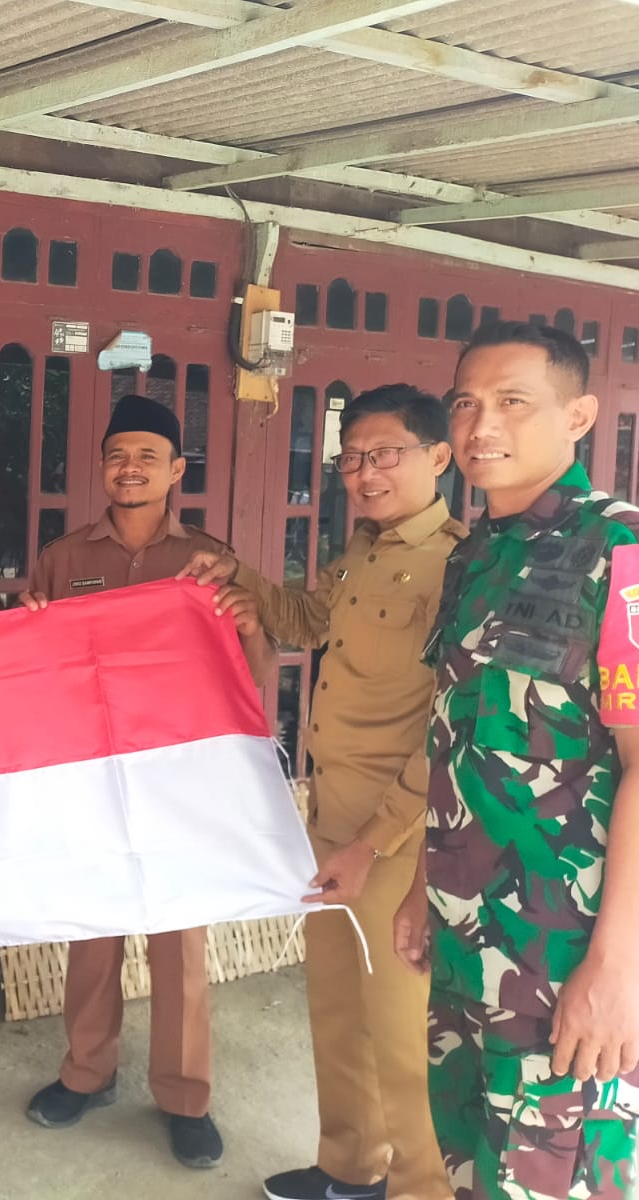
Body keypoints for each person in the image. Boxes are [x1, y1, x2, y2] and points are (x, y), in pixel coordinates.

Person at [181, 384, 462, 1200]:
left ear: (437, 457)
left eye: (385, 455)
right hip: (331, 813)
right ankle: (350, 1167)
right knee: (337, 1007)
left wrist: (373, 841)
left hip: (396, 833)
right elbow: (305, 620)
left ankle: (422, 1187)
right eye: (351, 459)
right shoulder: (362, 553)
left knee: (403, 1030)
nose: (364, 473)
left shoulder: (459, 566)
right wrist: (239, 580)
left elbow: (448, 728)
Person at [395, 322, 639, 1200]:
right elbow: (454, 733)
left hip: (565, 950)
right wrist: (422, 887)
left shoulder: (622, 552)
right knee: (469, 1161)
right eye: (465, 403)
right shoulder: (475, 553)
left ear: (579, 415)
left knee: (556, 1179)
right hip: (468, 939)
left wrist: (620, 964)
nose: (479, 425)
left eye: (511, 403)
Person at [19, 393, 271, 1170]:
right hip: (92, 774)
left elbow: (249, 678)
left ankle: (185, 1096)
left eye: (147, 457)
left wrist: (252, 621)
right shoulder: (64, 558)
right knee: (92, 932)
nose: (129, 469)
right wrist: (27, 627)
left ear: (175, 472)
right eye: (117, 455)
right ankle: (86, 1073)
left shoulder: (207, 559)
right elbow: (34, 671)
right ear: (102, 466)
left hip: (177, 779)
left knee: (177, 943)